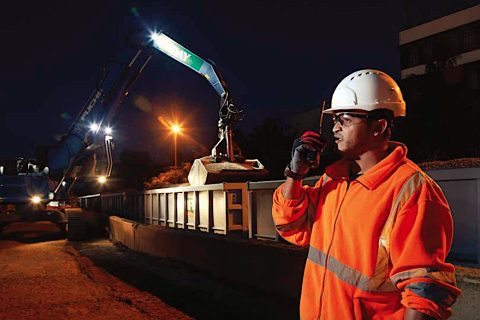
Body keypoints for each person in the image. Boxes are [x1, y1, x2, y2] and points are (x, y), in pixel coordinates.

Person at [272, 69, 460, 319]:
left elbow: (424, 291)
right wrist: (295, 175)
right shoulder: (334, 180)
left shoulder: (411, 191)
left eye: (345, 120)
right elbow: (290, 228)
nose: (335, 129)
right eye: (334, 120)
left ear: (378, 126)